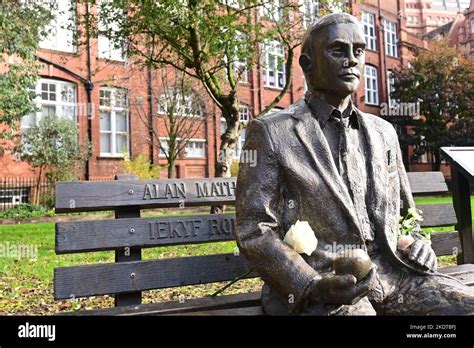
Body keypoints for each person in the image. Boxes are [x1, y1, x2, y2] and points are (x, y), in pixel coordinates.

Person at [235, 13, 474, 315]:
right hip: (323, 286)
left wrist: (416, 243)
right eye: (338, 50)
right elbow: (254, 229)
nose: (352, 60)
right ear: (307, 64)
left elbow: (405, 213)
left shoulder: (384, 132)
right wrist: (309, 284)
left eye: (358, 51)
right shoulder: (271, 131)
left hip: (392, 275)